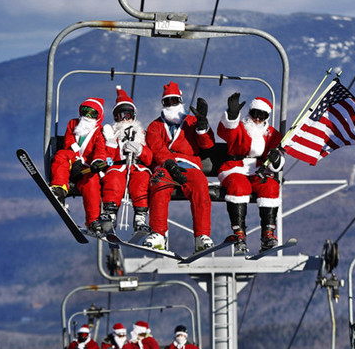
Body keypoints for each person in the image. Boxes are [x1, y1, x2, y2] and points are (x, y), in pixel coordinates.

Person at [144, 81, 216, 253]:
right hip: (166, 166)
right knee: (158, 182)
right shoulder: (155, 126)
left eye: (174, 101)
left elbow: (207, 145)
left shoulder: (192, 122)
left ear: (181, 101)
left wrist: (202, 127)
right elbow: (157, 148)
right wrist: (170, 164)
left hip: (189, 166)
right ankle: (158, 233)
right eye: (167, 102)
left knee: (200, 184)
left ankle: (202, 235)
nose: (171, 105)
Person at [217, 93, 284, 252]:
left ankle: (268, 234)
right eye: (256, 114)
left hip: (259, 169)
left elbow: (278, 158)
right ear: (250, 113)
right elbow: (226, 132)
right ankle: (239, 233)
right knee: (239, 187)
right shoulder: (240, 127)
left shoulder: (271, 134)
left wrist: (275, 159)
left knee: (270, 187)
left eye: (263, 116)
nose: (258, 119)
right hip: (236, 167)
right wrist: (231, 116)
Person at [48, 97, 109, 234]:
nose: (87, 116)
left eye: (92, 114)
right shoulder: (73, 124)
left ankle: (93, 220)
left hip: (86, 168)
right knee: (61, 155)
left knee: (91, 183)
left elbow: (100, 150)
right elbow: (68, 141)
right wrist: (76, 159)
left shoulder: (99, 132)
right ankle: (59, 188)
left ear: (98, 116)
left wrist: (97, 162)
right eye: (85, 111)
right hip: (71, 161)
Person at [100, 86, 154, 234]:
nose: (124, 119)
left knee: (142, 181)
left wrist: (140, 150)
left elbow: (149, 159)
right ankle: (110, 213)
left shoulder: (142, 134)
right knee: (113, 180)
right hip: (117, 167)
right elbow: (107, 159)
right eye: (120, 116)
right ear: (115, 118)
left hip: (137, 167)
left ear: (133, 116)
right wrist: (110, 141)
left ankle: (140, 217)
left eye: (127, 115)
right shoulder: (113, 134)